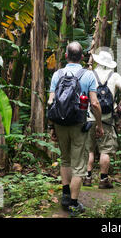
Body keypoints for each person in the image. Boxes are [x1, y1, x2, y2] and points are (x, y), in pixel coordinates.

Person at [47, 42, 103, 217]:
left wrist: (52, 126)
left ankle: (65, 193)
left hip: (60, 123)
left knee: (65, 159)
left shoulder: (58, 74)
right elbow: (94, 103)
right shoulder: (88, 75)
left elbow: (51, 102)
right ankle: (73, 203)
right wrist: (99, 124)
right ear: (82, 57)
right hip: (79, 124)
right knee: (79, 164)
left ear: (66, 56)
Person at [84, 50, 121, 189]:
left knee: (89, 150)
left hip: (90, 117)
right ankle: (103, 180)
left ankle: (87, 177)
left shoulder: (89, 74)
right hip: (107, 120)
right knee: (105, 150)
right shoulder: (114, 75)